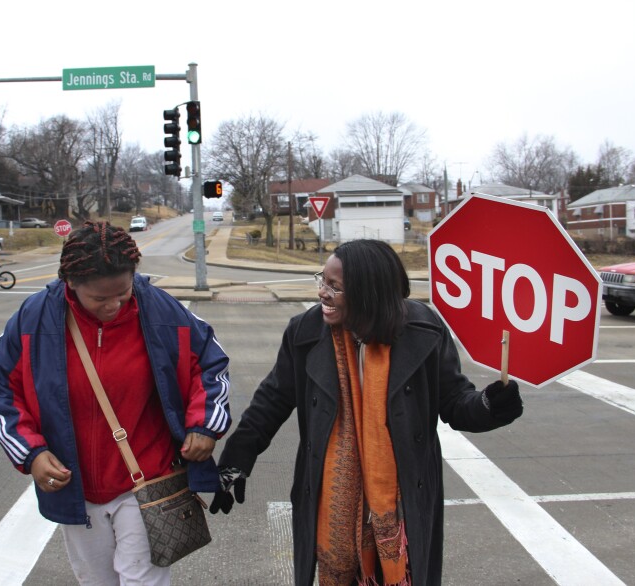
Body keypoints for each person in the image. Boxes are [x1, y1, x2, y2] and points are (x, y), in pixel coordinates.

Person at [210, 239, 523, 586]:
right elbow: (272, 400)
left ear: (368, 292)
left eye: (335, 287)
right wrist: (237, 458)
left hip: (401, 497)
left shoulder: (423, 331)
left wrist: (490, 405)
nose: (322, 293)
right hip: (333, 498)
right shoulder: (306, 332)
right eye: (322, 281)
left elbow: (454, 402)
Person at [0, 221, 231, 585]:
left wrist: (205, 423)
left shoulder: (163, 311)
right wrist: (30, 453)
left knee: (141, 579)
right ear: (70, 283)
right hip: (75, 485)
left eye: (123, 292)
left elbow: (211, 363)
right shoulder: (33, 319)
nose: (113, 305)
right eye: (99, 298)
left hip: (149, 478)